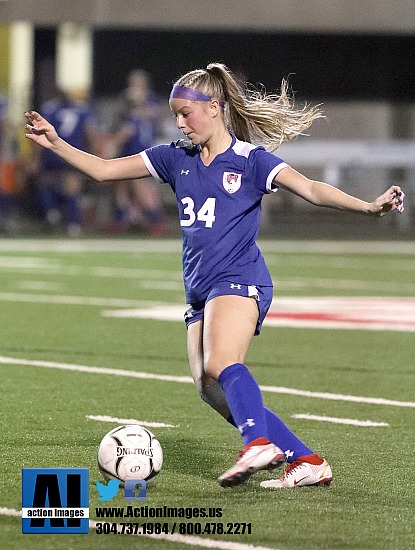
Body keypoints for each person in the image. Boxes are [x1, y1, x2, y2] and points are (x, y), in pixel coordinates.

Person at [24, 63, 404, 489]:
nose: (180, 122)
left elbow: (312, 188)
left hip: (240, 278)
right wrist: (55, 143)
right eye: (175, 115)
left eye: (187, 113)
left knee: (222, 362)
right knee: (210, 387)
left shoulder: (250, 160)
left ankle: (257, 442)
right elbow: (104, 170)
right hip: (201, 288)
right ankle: (307, 460)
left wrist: (368, 208)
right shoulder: (174, 158)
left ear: (216, 108)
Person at [32, 88, 98, 236]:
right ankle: (73, 224)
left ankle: (51, 212)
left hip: (52, 152)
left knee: (44, 182)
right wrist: (93, 156)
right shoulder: (83, 110)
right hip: (73, 153)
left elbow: (39, 132)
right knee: (72, 188)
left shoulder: (49, 109)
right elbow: (90, 134)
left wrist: (35, 158)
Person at [109, 69, 166, 236]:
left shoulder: (150, 103)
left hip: (143, 151)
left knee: (140, 185)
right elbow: (120, 126)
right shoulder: (127, 107)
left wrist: (113, 145)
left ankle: (155, 220)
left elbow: (153, 121)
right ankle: (125, 218)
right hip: (129, 151)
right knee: (121, 185)